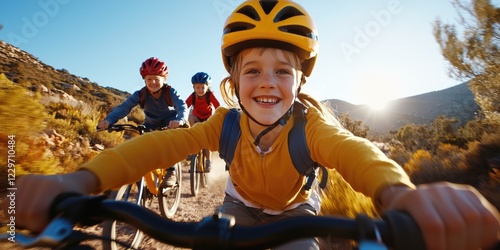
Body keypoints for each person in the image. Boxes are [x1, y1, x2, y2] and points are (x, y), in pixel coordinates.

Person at [5, 1, 499, 250]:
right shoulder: (224, 122)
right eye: (253, 71)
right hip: (237, 207)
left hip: (297, 218)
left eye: (283, 70)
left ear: (300, 79)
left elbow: (358, 153)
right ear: (233, 83)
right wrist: (79, 180)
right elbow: (157, 148)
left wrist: (400, 196)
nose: (268, 83)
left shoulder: (313, 126)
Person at [97, 56, 189, 186]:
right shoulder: (140, 94)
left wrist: (180, 120)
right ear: (144, 80)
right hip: (150, 124)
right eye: (149, 79)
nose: (153, 82)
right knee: (137, 148)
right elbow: (124, 108)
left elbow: (181, 106)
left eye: (156, 79)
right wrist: (109, 120)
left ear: (164, 79)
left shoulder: (170, 92)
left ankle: (171, 171)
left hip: (169, 122)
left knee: (168, 143)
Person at [185, 72, 221, 172]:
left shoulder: (210, 95)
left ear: (207, 87)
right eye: (198, 87)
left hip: (207, 118)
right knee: (190, 117)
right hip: (196, 117)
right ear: (194, 87)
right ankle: (192, 152)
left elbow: (218, 106)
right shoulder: (192, 96)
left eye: (202, 87)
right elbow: (184, 107)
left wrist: (219, 118)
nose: (200, 90)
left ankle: (208, 161)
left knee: (206, 140)